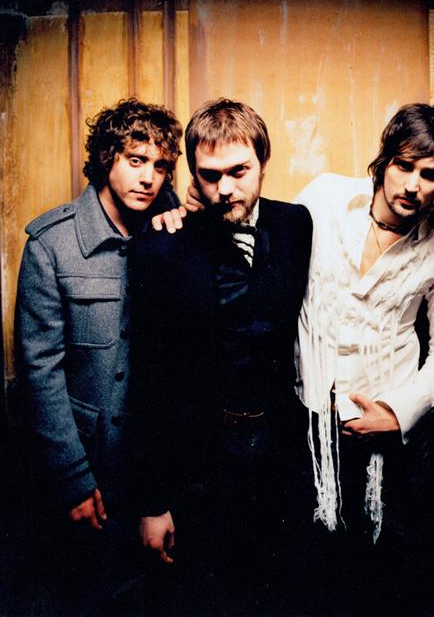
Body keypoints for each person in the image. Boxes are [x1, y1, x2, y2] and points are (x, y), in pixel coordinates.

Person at [129, 98, 312, 613]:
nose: (224, 188)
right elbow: (149, 377)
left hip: (281, 452)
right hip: (201, 458)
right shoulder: (162, 245)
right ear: (192, 173)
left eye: (239, 171)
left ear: (263, 162)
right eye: (209, 176)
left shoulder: (296, 225)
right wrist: (152, 502)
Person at [293, 102, 434, 613]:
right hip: (307, 419)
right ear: (384, 160)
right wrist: (187, 207)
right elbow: (262, 237)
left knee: (382, 575)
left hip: (389, 433)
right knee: (309, 572)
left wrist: (397, 414)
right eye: (404, 166)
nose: (413, 185)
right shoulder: (324, 197)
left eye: (430, 175)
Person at [15, 98, 182, 614]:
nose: (149, 177)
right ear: (108, 157)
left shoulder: (170, 234)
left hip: (150, 469)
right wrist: (73, 480)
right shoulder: (52, 244)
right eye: (136, 160)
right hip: (84, 470)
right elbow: (39, 373)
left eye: (161, 166)